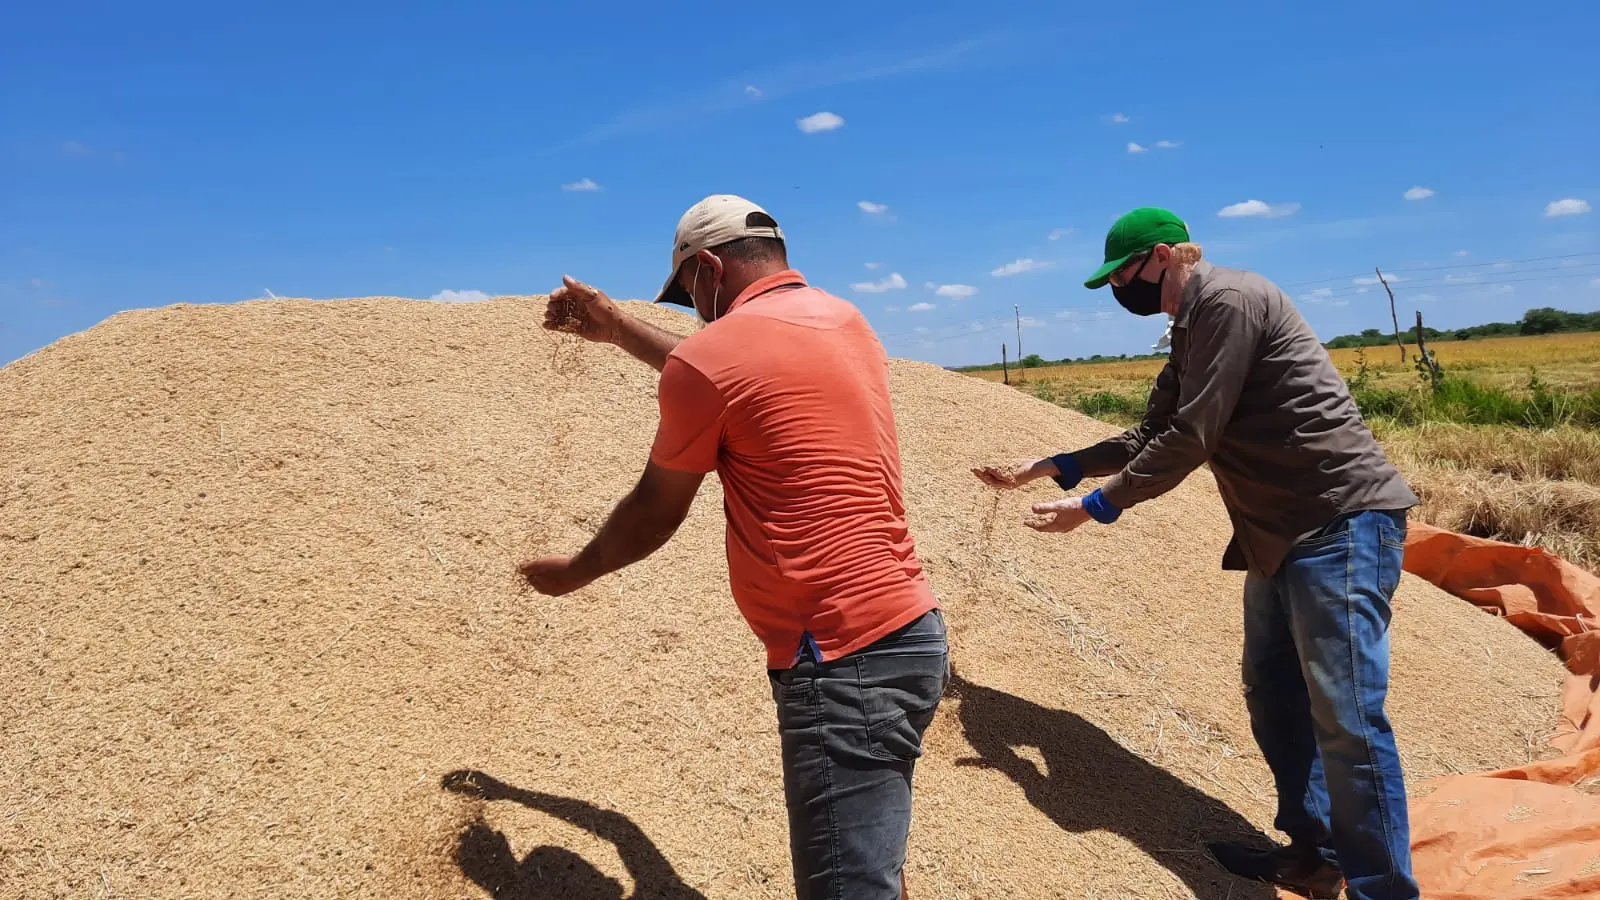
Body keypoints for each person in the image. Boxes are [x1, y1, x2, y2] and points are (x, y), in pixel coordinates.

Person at [974, 207, 1421, 900]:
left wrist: (1097, 507)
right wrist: (1057, 464)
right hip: (1278, 534)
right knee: (1274, 695)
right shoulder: (1190, 329)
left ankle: (1382, 890)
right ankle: (1316, 853)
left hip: (1339, 521)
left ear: (1162, 256)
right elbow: (1149, 433)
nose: (1119, 288)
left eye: (1122, 273)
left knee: (1347, 715)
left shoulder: (1230, 300)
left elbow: (1191, 437)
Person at [520, 194, 949, 900]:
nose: (693, 309)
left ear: (709, 267)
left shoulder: (716, 357)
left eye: (688, 289)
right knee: (871, 865)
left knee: (849, 888)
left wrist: (575, 572)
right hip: (909, 634)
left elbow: (655, 509)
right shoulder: (845, 321)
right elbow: (730, 374)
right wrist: (623, 330)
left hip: (840, 661)